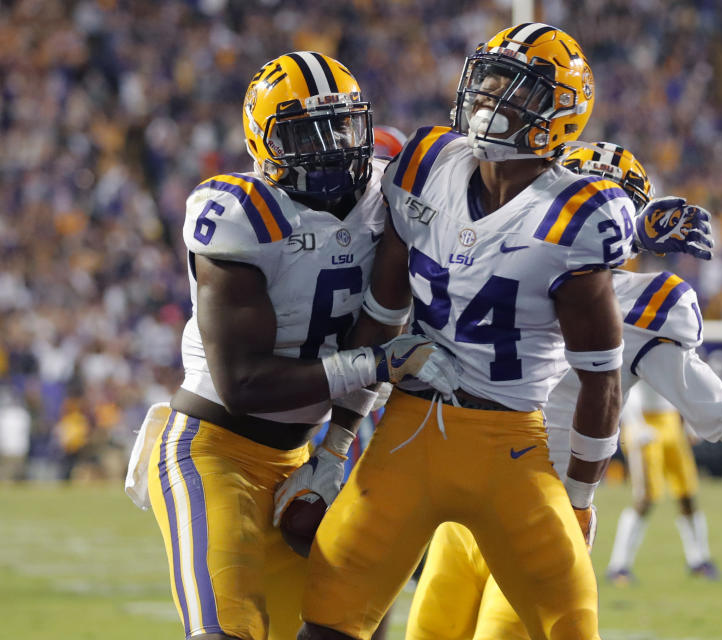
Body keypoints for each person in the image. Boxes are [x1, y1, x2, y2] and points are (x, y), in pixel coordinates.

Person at [287, 23, 633, 640]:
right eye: (487, 78)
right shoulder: (426, 163)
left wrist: (579, 496)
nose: (487, 95)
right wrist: (337, 445)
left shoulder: (577, 215)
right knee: (330, 610)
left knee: (571, 624)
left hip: (511, 446)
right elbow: (382, 318)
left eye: (514, 87)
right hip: (410, 428)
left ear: (561, 112)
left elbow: (600, 381)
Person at [403, 141, 722, 640]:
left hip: (540, 517)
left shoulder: (635, 307)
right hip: (462, 512)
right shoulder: (491, 256)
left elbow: (720, 410)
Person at [125, 52, 455, 640]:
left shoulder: (384, 197)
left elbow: (380, 322)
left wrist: (334, 451)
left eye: (342, 126)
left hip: (300, 455)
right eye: (307, 133)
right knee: (230, 629)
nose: (331, 148)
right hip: (214, 451)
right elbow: (245, 384)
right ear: (263, 142)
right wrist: (376, 364)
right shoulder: (241, 213)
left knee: (352, 623)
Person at [607, 381, 718, 584]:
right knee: (645, 498)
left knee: (687, 493)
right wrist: (635, 423)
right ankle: (619, 565)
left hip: (671, 419)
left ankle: (699, 560)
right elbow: (625, 379)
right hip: (644, 419)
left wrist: (691, 418)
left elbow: (681, 378)